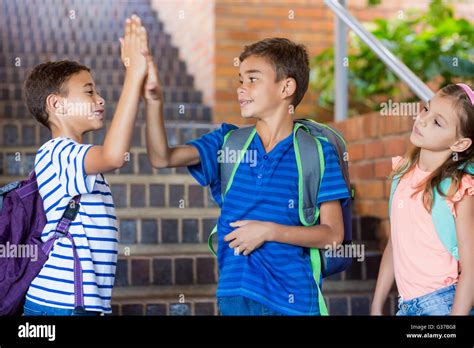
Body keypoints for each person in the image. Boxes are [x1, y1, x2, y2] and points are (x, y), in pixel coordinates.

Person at [144, 37, 349, 315]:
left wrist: (269, 231)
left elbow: (333, 235)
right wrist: (154, 101)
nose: (241, 89)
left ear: (286, 87)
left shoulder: (316, 151)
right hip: (234, 294)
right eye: (240, 80)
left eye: (253, 79)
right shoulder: (228, 142)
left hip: (296, 300)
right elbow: (161, 157)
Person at [22, 15, 149, 315]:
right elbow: (114, 155)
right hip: (60, 307)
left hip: (77, 305)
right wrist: (133, 74)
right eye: (89, 91)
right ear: (57, 105)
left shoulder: (73, 157)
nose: (100, 99)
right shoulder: (58, 154)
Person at [371, 84, 474, 316]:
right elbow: (394, 244)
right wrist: (377, 304)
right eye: (426, 109)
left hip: (443, 304)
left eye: (438, 122)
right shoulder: (401, 175)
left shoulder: (458, 188)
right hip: (405, 305)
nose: (423, 120)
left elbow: (471, 269)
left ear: (459, 144)